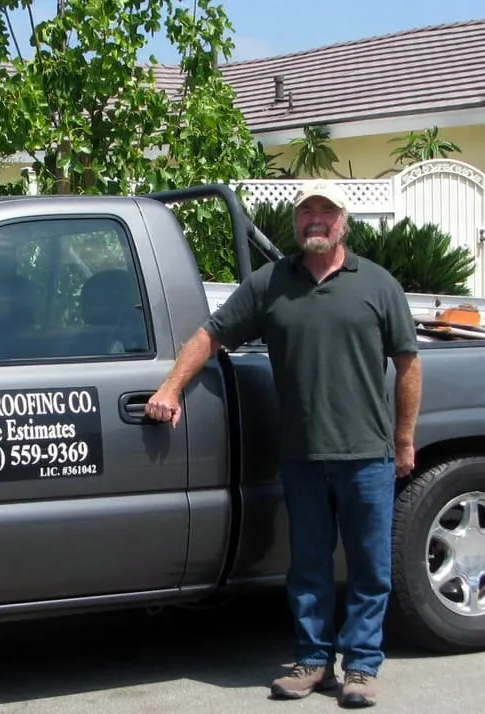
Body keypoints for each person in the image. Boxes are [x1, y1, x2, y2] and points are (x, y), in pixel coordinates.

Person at [144, 180, 422, 708]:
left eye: (326, 213)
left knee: (369, 566)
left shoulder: (379, 285)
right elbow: (210, 334)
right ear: (296, 222)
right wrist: (171, 385)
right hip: (301, 456)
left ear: (344, 221)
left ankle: (361, 667)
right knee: (309, 564)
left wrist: (404, 438)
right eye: (307, 213)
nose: (316, 221)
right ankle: (313, 660)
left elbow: (408, 364)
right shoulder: (271, 283)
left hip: (368, 454)